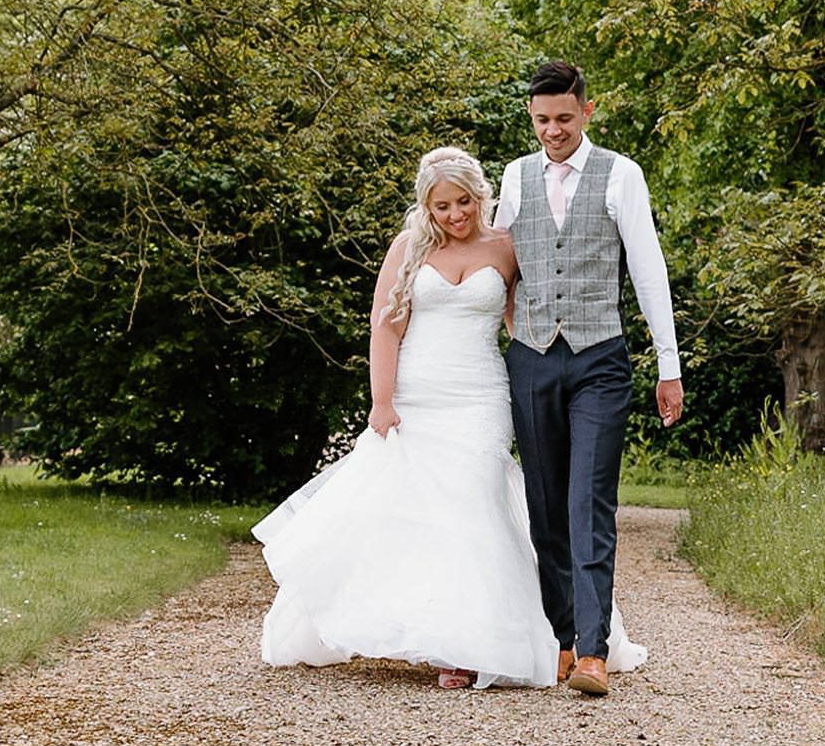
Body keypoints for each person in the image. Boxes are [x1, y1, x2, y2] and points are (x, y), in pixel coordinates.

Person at [257, 146, 644, 689]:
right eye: (442, 207)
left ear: (481, 197)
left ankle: (467, 646)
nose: (455, 215)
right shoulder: (408, 248)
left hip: (482, 394)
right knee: (413, 510)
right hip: (417, 392)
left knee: (473, 498)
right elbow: (385, 325)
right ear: (427, 206)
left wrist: (560, 378)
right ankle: (428, 631)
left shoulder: (506, 248)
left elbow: (529, 317)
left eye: (463, 202)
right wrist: (382, 400)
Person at [497, 60, 685, 697]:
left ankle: (595, 652)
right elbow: (502, 264)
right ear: (532, 116)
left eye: (564, 119)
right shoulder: (516, 177)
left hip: (599, 357)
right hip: (530, 355)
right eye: (543, 120)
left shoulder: (620, 174)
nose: (553, 131)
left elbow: (648, 268)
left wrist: (669, 365)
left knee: (589, 502)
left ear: (588, 111)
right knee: (545, 507)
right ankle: (563, 639)